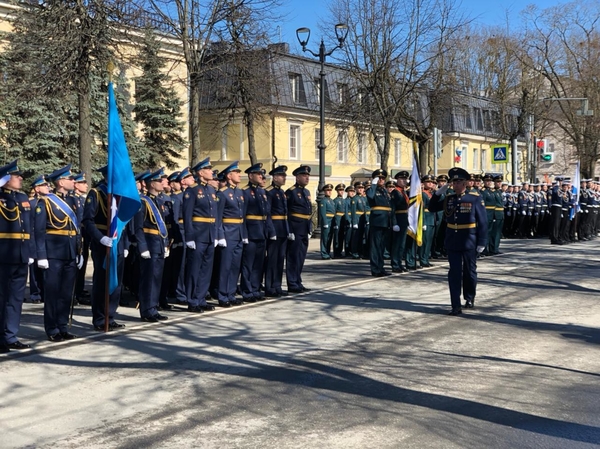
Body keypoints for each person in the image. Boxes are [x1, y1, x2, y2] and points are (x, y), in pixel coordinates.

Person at [428, 167, 487, 315]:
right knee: (454, 273)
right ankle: (455, 305)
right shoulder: (448, 198)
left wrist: (482, 242)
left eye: (459, 181)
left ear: (466, 183)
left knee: (469, 272)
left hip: (469, 240)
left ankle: (469, 297)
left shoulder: (474, 198)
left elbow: (483, 222)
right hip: (453, 240)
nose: (456, 185)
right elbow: (431, 207)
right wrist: (437, 193)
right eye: (454, 182)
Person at [35, 164, 83, 341]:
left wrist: (80, 251)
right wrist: (41, 255)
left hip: (70, 252)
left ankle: (63, 326)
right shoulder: (46, 202)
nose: (73, 181)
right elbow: (39, 231)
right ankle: (52, 328)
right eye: (70, 179)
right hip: (53, 253)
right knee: (53, 292)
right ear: (61, 182)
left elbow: (77, 229)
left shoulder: (72, 201)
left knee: (66, 293)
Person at [82, 165, 129, 331]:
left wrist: (126, 244)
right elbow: (87, 221)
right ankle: (100, 318)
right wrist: (100, 238)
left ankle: (111, 316)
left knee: (116, 282)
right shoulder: (96, 194)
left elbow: (124, 222)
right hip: (103, 242)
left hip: (118, 242)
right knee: (102, 281)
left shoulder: (120, 195)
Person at [0, 160, 34, 352]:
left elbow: (30, 229)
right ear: (5, 179)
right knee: (1, 298)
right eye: (16, 176)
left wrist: (32, 252)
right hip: (3, 255)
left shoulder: (22, 198)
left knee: (15, 299)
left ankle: (10, 336)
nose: (20, 178)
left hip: (21, 254)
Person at [183, 158, 220, 312]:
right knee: (194, 269)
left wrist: (216, 234)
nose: (211, 171)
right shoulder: (192, 191)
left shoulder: (211, 191)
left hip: (210, 234)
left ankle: (201, 298)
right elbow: (187, 216)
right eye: (208, 169)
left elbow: (215, 215)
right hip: (198, 235)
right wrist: (190, 237)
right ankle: (192, 300)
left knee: (206, 269)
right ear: (200, 172)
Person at [133, 168, 169, 322]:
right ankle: (146, 310)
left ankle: (153, 308)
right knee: (148, 279)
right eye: (159, 181)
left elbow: (162, 227)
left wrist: (165, 244)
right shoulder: (143, 201)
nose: (162, 183)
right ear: (152, 184)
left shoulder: (157, 201)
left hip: (159, 244)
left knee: (156, 278)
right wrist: (143, 247)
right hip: (149, 244)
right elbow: (138, 227)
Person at [216, 161, 246, 306]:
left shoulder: (239, 192)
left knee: (235, 266)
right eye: (237, 172)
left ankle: (231, 294)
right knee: (226, 266)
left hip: (238, 233)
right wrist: (220, 235)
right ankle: (223, 296)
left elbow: (242, 216)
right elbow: (218, 217)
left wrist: (244, 234)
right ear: (229, 176)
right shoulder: (222, 194)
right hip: (228, 233)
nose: (240, 175)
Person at [240, 163, 271, 302]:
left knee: (259, 264)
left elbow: (266, 214)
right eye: (258, 174)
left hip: (261, 231)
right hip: (251, 232)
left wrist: (269, 231)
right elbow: (243, 215)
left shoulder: (262, 192)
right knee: (248, 264)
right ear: (250, 176)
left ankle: (255, 288)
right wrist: (244, 234)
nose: (261, 176)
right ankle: (247, 291)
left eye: (261, 174)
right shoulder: (245, 192)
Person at [286, 165, 313, 293]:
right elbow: (287, 212)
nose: (307, 177)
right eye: (304, 175)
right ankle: (292, 283)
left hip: (304, 227)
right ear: (297, 177)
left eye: (308, 175)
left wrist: (310, 228)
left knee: (301, 257)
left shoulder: (307, 192)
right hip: (295, 227)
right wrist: (289, 230)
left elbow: (309, 211)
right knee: (293, 256)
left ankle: (298, 281)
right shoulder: (291, 192)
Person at [264, 165, 289, 298]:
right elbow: (267, 213)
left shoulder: (281, 192)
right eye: (282, 176)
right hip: (274, 228)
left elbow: (285, 213)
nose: (284, 178)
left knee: (280, 259)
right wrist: (271, 231)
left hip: (283, 229)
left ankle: (277, 285)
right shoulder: (270, 192)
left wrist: (288, 230)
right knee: (272, 259)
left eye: (284, 176)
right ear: (274, 178)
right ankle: (269, 287)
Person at [366, 169, 392, 277]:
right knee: (375, 246)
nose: (381, 180)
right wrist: (373, 184)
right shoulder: (372, 189)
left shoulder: (384, 191)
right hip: (377, 221)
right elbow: (370, 197)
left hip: (386, 220)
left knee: (382, 246)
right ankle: (375, 269)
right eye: (379, 178)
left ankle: (381, 267)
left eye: (382, 178)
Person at [390, 171, 409, 272]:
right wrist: (394, 223)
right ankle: (395, 264)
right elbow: (393, 208)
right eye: (402, 179)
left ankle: (399, 262)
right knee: (397, 243)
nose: (404, 181)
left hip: (404, 219)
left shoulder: (403, 192)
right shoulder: (395, 192)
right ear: (397, 180)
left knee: (402, 243)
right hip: (398, 218)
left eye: (405, 179)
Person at [318, 183, 335, 259]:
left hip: (331, 220)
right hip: (327, 220)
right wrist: (325, 222)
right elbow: (323, 212)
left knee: (329, 238)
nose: (329, 192)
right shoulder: (323, 201)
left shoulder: (331, 201)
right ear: (324, 191)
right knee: (325, 238)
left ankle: (327, 252)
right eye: (327, 190)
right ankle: (324, 253)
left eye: (330, 190)